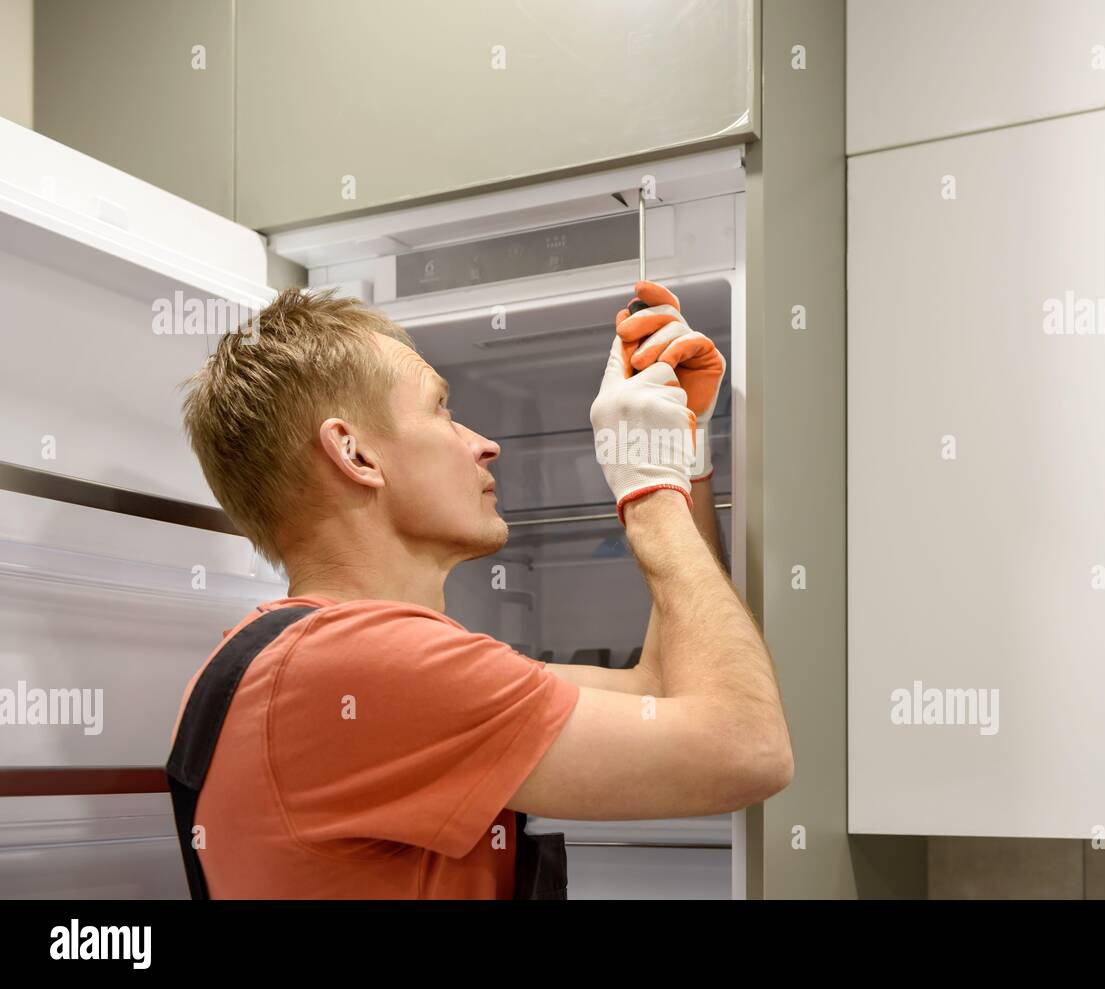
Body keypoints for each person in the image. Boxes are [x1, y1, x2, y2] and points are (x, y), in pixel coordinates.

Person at [169, 280, 793, 898]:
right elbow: (749, 748)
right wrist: (648, 489)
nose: (484, 444)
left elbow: (660, 691)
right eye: (441, 409)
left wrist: (676, 463)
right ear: (354, 454)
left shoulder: (289, 655)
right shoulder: (363, 666)